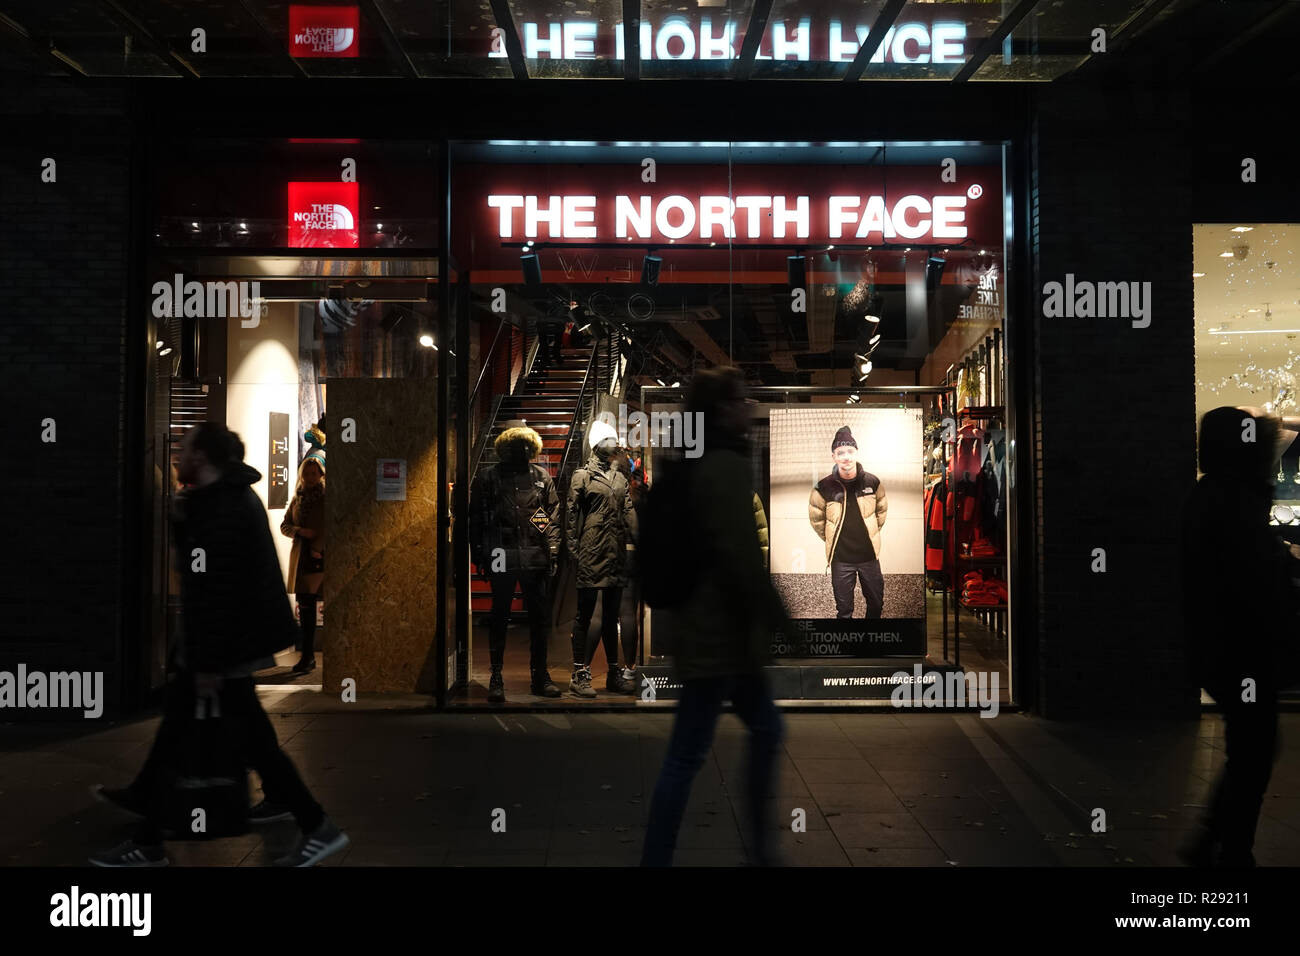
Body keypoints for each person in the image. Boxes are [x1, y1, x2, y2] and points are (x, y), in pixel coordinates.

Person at [90, 422, 349, 867]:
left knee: (223, 741)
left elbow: (217, 589)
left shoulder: (224, 505)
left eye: (186, 448)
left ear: (204, 457)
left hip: (222, 650)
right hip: (224, 647)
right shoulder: (219, 500)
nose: (178, 454)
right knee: (215, 738)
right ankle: (152, 832)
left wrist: (207, 661)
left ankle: (313, 825)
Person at [641, 367, 788, 867]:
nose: (748, 408)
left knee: (715, 745)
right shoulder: (724, 468)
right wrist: (782, 620)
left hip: (707, 637)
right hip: (720, 640)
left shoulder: (697, 462)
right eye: (742, 399)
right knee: (697, 753)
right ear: (725, 409)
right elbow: (742, 558)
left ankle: (755, 850)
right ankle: (756, 851)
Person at [1179, 406, 1295, 868]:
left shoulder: (1214, 497)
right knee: (1253, 751)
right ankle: (1226, 845)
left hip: (1224, 649)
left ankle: (1220, 841)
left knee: (1250, 749)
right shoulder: (1233, 502)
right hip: (1241, 651)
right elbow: (1252, 578)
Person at [469, 420, 563, 701]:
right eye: (515, 443)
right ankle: (496, 676)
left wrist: (552, 548)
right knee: (499, 617)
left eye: (524, 443)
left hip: (534, 555)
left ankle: (540, 675)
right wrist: (480, 554)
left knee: (539, 619)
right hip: (502, 554)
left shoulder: (540, 477)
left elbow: (549, 514)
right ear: (505, 446)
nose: (520, 448)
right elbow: (477, 519)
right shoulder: (488, 478)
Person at [566, 420, 637, 697]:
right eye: (609, 440)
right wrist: (572, 549)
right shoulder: (582, 476)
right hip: (591, 550)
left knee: (611, 615)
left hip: (614, 552)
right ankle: (579, 673)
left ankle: (612, 672)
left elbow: (629, 511)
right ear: (597, 444)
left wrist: (641, 541)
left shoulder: (619, 478)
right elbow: (571, 515)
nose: (614, 444)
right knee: (584, 613)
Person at [809, 426, 889, 618]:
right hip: (841, 559)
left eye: (850, 451)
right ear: (834, 456)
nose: (846, 457)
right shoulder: (823, 487)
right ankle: (847, 646)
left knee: (876, 605)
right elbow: (817, 519)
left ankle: (871, 644)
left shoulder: (873, 482)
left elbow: (881, 512)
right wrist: (832, 537)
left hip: (869, 557)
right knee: (844, 611)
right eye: (840, 452)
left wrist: (871, 533)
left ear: (856, 453)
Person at [280, 422, 326, 674]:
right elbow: (285, 525)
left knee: (315, 607)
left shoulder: (326, 499)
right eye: (306, 473)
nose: (309, 477)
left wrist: (319, 544)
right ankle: (307, 655)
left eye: (314, 473)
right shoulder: (297, 498)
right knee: (305, 611)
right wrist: (300, 531)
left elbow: (331, 527)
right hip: (302, 560)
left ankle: (312, 656)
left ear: (320, 474)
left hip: (320, 559)